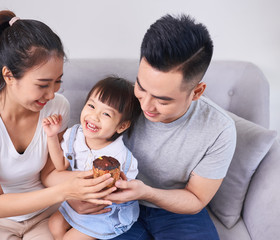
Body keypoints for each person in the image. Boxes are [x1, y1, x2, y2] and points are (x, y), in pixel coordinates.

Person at [70, 14, 237, 240]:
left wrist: (146, 192)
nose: (145, 106)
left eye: (163, 100)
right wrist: (72, 197)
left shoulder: (219, 130)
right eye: (141, 86)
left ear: (196, 92)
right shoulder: (122, 102)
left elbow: (196, 198)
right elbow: (70, 154)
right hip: (115, 208)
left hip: (175, 209)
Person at [0, 10, 115, 240]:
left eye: (57, 81)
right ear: (9, 76)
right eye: (42, 84)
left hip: (44, 215)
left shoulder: (58, 106)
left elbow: (49, 172)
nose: (51, 94)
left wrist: (89, 184)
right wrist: (65, 191)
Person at [42, 77, 142, 240]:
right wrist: (52, 136)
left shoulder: (121, 157)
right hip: (78, 198)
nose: (94, 116)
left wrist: (116, 188)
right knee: (54, 224)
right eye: (91, 105)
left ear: (121, 126)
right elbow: (60, 166)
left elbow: (126, 191)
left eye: (106, 114)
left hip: (105, 211)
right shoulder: (74, 136)